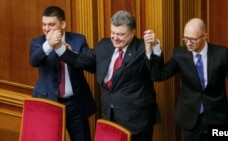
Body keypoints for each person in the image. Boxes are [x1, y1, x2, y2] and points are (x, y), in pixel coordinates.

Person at [53, 10, 161, 141]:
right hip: (110, 116)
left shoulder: (142, 48)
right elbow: (79, 60)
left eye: (121, 34)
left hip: (137, 120)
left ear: (132, 33)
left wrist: (153, 48)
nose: (115, 38)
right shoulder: (104, 45)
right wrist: (59, 47)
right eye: (113, 33)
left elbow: (156, 74)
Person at [145, 18, 228, 141]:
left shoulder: (221, 55)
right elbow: (158, 75)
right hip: (190, 121)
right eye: (185, 38)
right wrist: (153, 48)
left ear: (205, 36)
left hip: (217, 120)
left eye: (193, 39)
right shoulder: (179, 54)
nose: (188, 43)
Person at [29, 6, 97, 141]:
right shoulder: (38, 43)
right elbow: (33, 61)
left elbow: (90, 65)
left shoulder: (78, 40)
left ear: (63, 24)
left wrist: (70, 53)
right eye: (44, 24)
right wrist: (49, 44)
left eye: (51, 24)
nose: (47, 29)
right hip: (48, 102)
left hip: (75, 104)